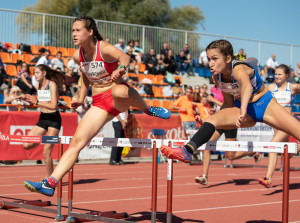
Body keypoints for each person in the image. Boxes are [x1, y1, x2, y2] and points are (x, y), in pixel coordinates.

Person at [23, 16, 170, 196]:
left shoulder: (104, 48)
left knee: (120, 92)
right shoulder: (78, 56)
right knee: (76, 143)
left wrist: (121, 69)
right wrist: (81, 96)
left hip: (117, 94)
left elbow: (125, 56)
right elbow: (85, 75)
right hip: (99, 102)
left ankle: (148, 109)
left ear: (90, 31)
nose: (74, 34)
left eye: (78, 30)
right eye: (72, 30)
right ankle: (50, 183)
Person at [160, 39, 300, 164]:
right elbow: (228, 103)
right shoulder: (217, 77)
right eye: (209, 59)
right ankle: (187, 151)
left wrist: (244, 109)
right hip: (243, 111)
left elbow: (247, 86)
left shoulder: (238, 68)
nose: (211, 63)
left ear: (227, 58)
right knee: (213, 120)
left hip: (265, 105)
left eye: (214, 58)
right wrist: (211, 121)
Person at [258, 64, 300, 188]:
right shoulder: (271, 88)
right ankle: (298, 147)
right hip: (276, 126)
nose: (277, 76)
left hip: (288, 124)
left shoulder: (292, 87)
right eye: (275, 74)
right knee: (289, 154)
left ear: (287, 75)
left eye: (280, 74)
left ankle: (268, 178)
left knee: (273, 145)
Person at [22, 64, 64, 176]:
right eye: (34, 73)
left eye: (37, 73)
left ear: (44, 73)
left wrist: (36, 102)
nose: (34, 75)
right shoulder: (38, 86)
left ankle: (51, 180)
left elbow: (54, 105)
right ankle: (44, 139)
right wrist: (27, 100)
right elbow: (38, 102)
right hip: (43, 119)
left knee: (46, 153)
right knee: (26, 145)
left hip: (54, 120)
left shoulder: (52, 84)